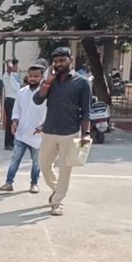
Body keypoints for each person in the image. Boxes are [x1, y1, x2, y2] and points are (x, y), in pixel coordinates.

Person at [33, 47, 92, 216]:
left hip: (70, 132)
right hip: (49, 130)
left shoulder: (82, 82)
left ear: (70, 60)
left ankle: (57, 201)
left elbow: (86, 111)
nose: (59, 64)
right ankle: (58, 189)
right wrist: (48, 81)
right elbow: (37, 99)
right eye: (56, 61)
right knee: (44, 164)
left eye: (62, 61)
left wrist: (85, 134)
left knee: (65, 169)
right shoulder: (50, 81)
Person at [0, 59, 49, 194]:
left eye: (36, 76)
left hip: (37, 134)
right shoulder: (22, 92)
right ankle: (9, 183)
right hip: (21, 133)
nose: (32, 79)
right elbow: (17, 110)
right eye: (31, 76)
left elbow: (51, 112)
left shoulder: (47, 94)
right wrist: (14, 121)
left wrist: (44, 126)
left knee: (36, 162)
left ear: (42, 76)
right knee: (15, 159)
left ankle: (34, 183)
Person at [1, 59, 22, 150]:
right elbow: (9, 68)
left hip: (17, 101)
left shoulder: (15, 76)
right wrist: (9, 62)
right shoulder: (7, 75)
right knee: (9, 122)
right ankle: (8, 144)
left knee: (15, 121)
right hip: (10, 100)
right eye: (16, 65)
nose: (17, 67)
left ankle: (13, 142)